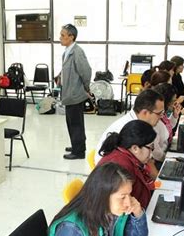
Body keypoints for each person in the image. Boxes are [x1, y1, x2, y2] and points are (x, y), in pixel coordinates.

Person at [95, 89, 165, 167]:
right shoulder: (131, 130)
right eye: (159, 113)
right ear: (145, 112)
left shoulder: (139, 124)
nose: (162, 116)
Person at [98, 120, 156, 208]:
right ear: (135, 148)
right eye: (150, 147)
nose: (151, 154)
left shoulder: (129, 158)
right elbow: (121, 208)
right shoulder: (122, 167)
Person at [59, 24, 92, 160]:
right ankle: (76, 144)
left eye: (62, 35)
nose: (60, 38)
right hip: (68, 93)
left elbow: (86, 71)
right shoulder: (67, 51)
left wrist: (86, 87)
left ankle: (79, 152)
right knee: (71, 122)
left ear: (71, 37)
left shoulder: (77, 52)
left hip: (75, 93)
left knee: (76, 123)